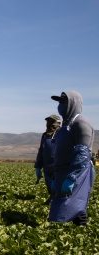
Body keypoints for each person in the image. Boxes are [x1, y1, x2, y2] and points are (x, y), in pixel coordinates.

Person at [49, 91, 95, 225]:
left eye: (64, 102)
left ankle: (81, 233)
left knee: (70, 208)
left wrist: (72, 178)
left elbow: (82, 153)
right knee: (70, 208)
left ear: (73, 103)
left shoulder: (81, 124)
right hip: (61, 172)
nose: (60, 105)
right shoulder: (65, 126)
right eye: (59, 102)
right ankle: (80, 230)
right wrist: (54, 174)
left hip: (76, 172)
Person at [34, 114, 61, 203]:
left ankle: (57, 202)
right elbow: (41, 150)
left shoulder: (62, 134)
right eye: (48, 122)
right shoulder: (45, 135)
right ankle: (52, 198)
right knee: (49, 186)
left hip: (59, 166)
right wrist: (38, 166)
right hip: (47, 167)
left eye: (52, 122)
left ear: (58, 123)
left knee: (58, 187)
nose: (49, 124)